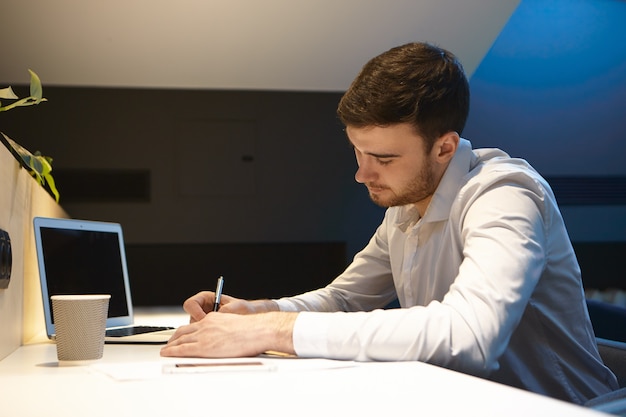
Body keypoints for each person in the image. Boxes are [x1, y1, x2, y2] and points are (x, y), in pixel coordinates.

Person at [161, 42, 618, 404]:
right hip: (465, 400)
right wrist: (261, 312)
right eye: (357, 152)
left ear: (444, 147)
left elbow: (469, 336)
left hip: (559, 410)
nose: (362, 174)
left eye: (382, 158)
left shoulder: (504, 194)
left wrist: (271, 332)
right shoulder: (407, 204)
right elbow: (345, 299)